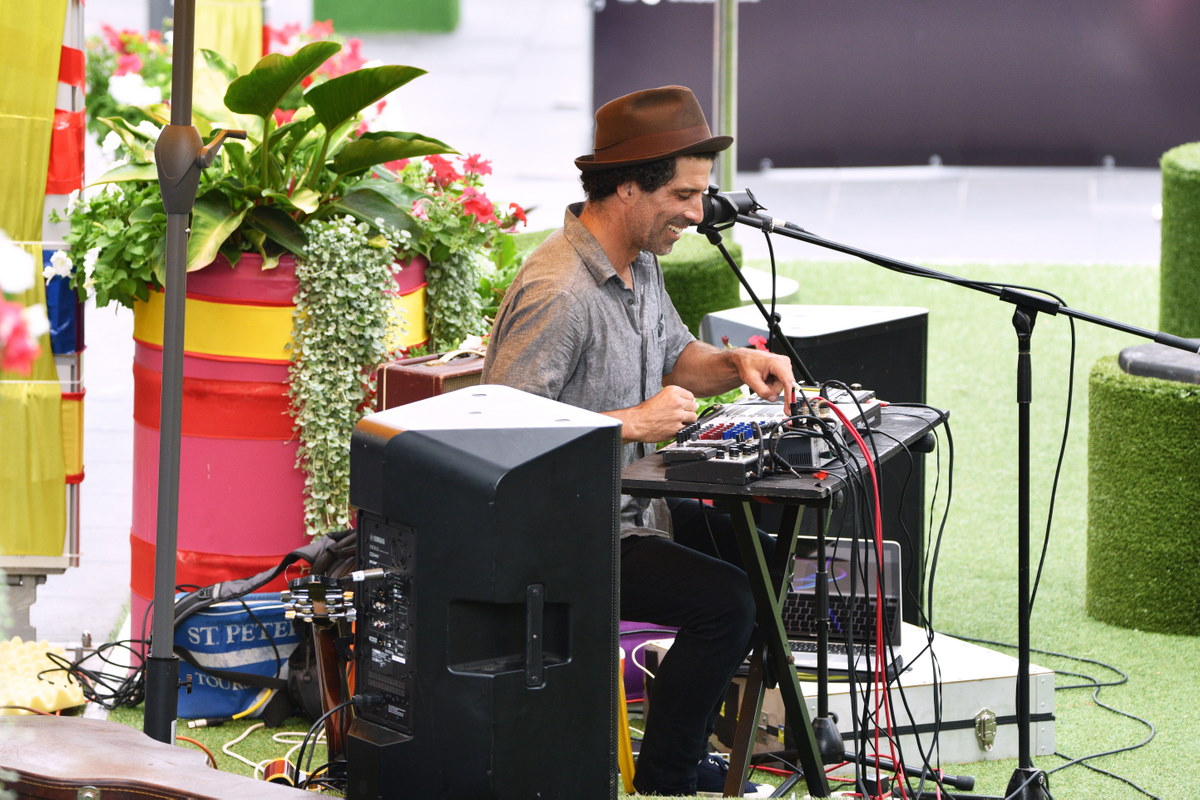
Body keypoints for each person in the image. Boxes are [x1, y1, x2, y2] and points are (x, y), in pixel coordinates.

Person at [483, 85, 794, 796]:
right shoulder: (558, 292)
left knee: (763, 564)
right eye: (683, 195)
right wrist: (629, 422)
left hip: (627, 510)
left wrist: (735, 364)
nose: (696, 212)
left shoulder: (640, 259)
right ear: (628, 185)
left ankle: (695, 738)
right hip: (560, 533)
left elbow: (675, 353)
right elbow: (500, 435)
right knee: (728, 604)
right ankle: (670, 772)